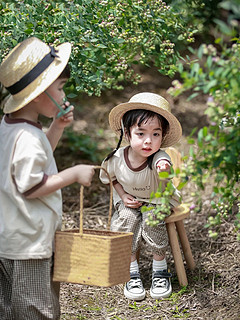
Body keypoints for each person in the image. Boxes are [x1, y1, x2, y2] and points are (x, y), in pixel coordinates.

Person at [0, 37, 95, 320]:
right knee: (35, 308)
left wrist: (56, 127)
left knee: (7, 307)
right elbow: (31, 185)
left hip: (9, 236)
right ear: (39, 94)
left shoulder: (12, 127)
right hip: (30, 242)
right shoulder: (27, 137)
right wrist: (72, 174)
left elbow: (36, 161)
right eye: (61, 88)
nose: (64, 96)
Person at [100, 92, 182, 301]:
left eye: (156, 134)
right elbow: (112, 178)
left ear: (162, 136)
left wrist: (163, 169)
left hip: (157, 198)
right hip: (130, 198)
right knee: (126, 220)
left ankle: (160, 269)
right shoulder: (117, 158)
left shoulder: (159, 157)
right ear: (127, 134)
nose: (148, 141)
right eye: (141, 133)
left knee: (152, 219)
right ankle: (131, 271)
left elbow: (163, 172)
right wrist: (123, 195)